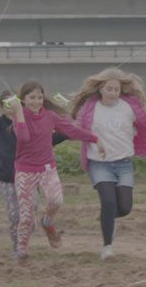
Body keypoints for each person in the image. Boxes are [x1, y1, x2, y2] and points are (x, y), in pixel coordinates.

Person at [71, 67, 146, 260]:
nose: (112, 93)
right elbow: (73, 128)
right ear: (100, 89)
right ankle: (107, 248)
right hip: (99, 164)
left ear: (121, 90)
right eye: (109, 89)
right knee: (108, 202)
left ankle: (108, 217)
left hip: (124, 163)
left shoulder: (129, 107)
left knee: (125, 207)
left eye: (116, 89)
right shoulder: (89, 109)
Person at [0, 73, 68, 256]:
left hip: (29, 176)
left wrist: (66, 121)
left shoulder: (32, 123)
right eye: (7, 104)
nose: (12, 107)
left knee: (30, 214)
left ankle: (30, 234)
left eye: (14, 102)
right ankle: (18, 248)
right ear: (2, 107)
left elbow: (55, 138)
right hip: (7, 178)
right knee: (15, 216)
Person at [9, 79, 103, 262]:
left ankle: (47, 222)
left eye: (39, 97)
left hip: (47, 169)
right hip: (24, 171)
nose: (36, 101)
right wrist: (19, 112)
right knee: (26, 216)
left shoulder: (50, 116)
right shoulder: (18, 116)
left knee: (56, 200)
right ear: (23, 99)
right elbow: (23, 137)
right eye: (32, 98)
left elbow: (72, 131)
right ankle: (22, 248)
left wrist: (95, 138)